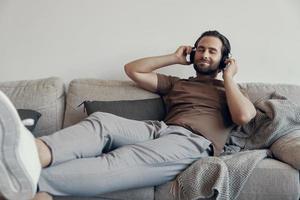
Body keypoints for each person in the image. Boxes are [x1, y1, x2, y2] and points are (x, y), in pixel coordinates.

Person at [0, 30, 256, 200]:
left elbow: (244, 116)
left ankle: (33, 184)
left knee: (118, 160)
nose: (204, 54)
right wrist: (174, 57)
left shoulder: (233, 90)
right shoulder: (178, 83)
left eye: (212, 51)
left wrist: (229, 77)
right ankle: (32, 151)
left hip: (191, 141)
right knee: (102, 122)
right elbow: (133, 70)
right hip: (159, 129)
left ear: (224, 59)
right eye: (200, 49)